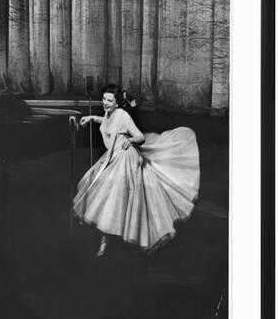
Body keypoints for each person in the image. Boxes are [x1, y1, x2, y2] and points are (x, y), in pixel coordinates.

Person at [73, 84, 200, 257]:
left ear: (117, 103)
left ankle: (114, 239)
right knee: (106, 195)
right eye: (104, 99)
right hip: (113, 156)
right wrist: (92, 118)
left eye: (109, 100)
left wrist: (131, 140)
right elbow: (108, 123)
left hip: (125, 158)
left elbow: (140, 136)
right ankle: (106, 237)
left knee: (115, 197)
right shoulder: (110, 114)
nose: (105, 103)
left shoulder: (123, 115)